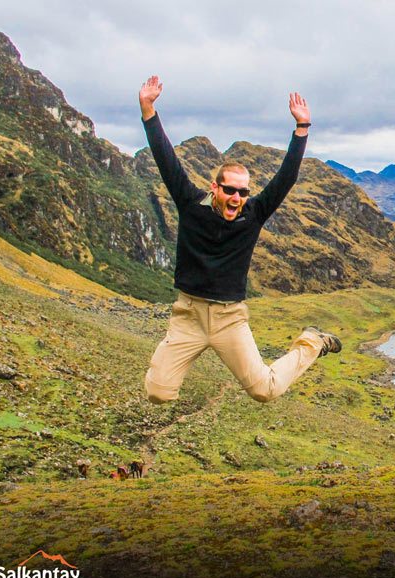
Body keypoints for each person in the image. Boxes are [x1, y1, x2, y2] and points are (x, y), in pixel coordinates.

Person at [138, 75, 340, 404]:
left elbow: (285, 178)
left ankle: (312, 342)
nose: (237, 197)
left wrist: (302, 129)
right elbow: (166, 160)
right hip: (187, 316)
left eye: (243, 192)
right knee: (158, 393)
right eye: (230, 190)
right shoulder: (191, 205)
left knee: (265, 390)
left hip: (229, 319)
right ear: (215, 188)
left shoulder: (254, 213)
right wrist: (148, 109)